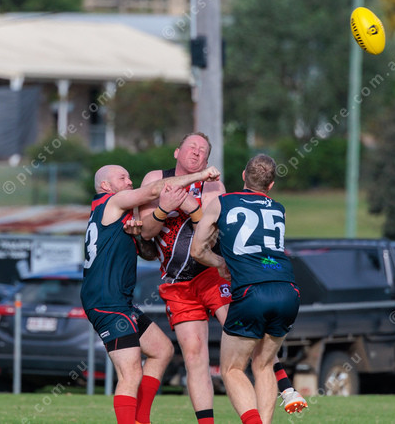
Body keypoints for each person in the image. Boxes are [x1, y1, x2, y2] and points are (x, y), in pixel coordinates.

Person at [139, 134, 306, 423]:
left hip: (213, 274)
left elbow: (212, 234)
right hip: (177, 281)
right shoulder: (155, 178)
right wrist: (165, 208)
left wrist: (191, 207)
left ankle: (285, 386)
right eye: (192, 147)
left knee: (248, 341)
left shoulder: (215, 186)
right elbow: (146, 232)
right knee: (195, 357)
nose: (197, 152)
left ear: (208, 161)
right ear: (177, 152)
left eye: (203, 150)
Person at [81, 163, 220, 424]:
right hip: (106, 301)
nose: (129, 181)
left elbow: (147, 253)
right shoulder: (112, 201)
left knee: (162, 350)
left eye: (129, 176)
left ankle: (141, 418)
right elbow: (155, 190)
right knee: (130, 372)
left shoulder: (118, 212)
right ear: (105, 186)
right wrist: (201, 176)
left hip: (120, 302)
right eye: (122, 177)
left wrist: (137, 236)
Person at [190, 154, 301, 424]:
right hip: (288, 290)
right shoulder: (279, 209)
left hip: (252, 292)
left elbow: (197, 250)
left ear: (243, 175)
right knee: (264, 365)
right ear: (271, 185)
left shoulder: (222, 202)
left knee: (231, 369)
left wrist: (220, 263)